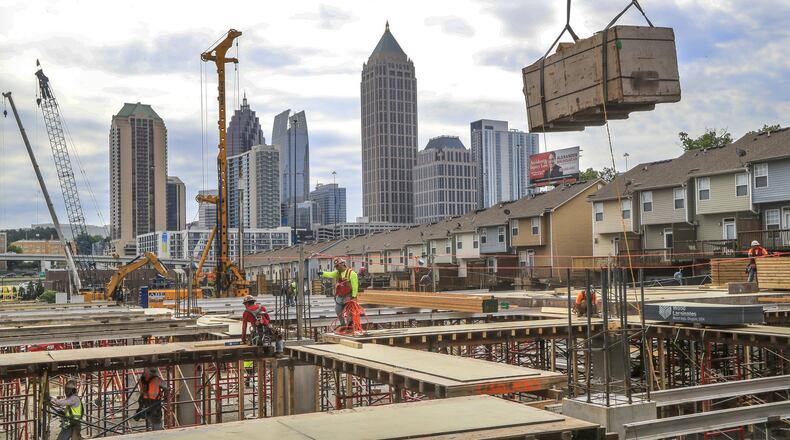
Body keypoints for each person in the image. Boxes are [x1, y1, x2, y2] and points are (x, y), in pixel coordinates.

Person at [319, 258, 358, 327]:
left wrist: (353, 296)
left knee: (349, 312)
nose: (336, 268)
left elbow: (355, 286)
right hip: (340, 295)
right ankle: (343, 325)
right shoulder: (337, 273)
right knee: (338, 310)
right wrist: (322, 273)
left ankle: (350, 325)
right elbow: (330, 274)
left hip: (348, 295)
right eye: (336, 266)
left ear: (342, 264)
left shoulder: (352, 273)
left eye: (337, 266)